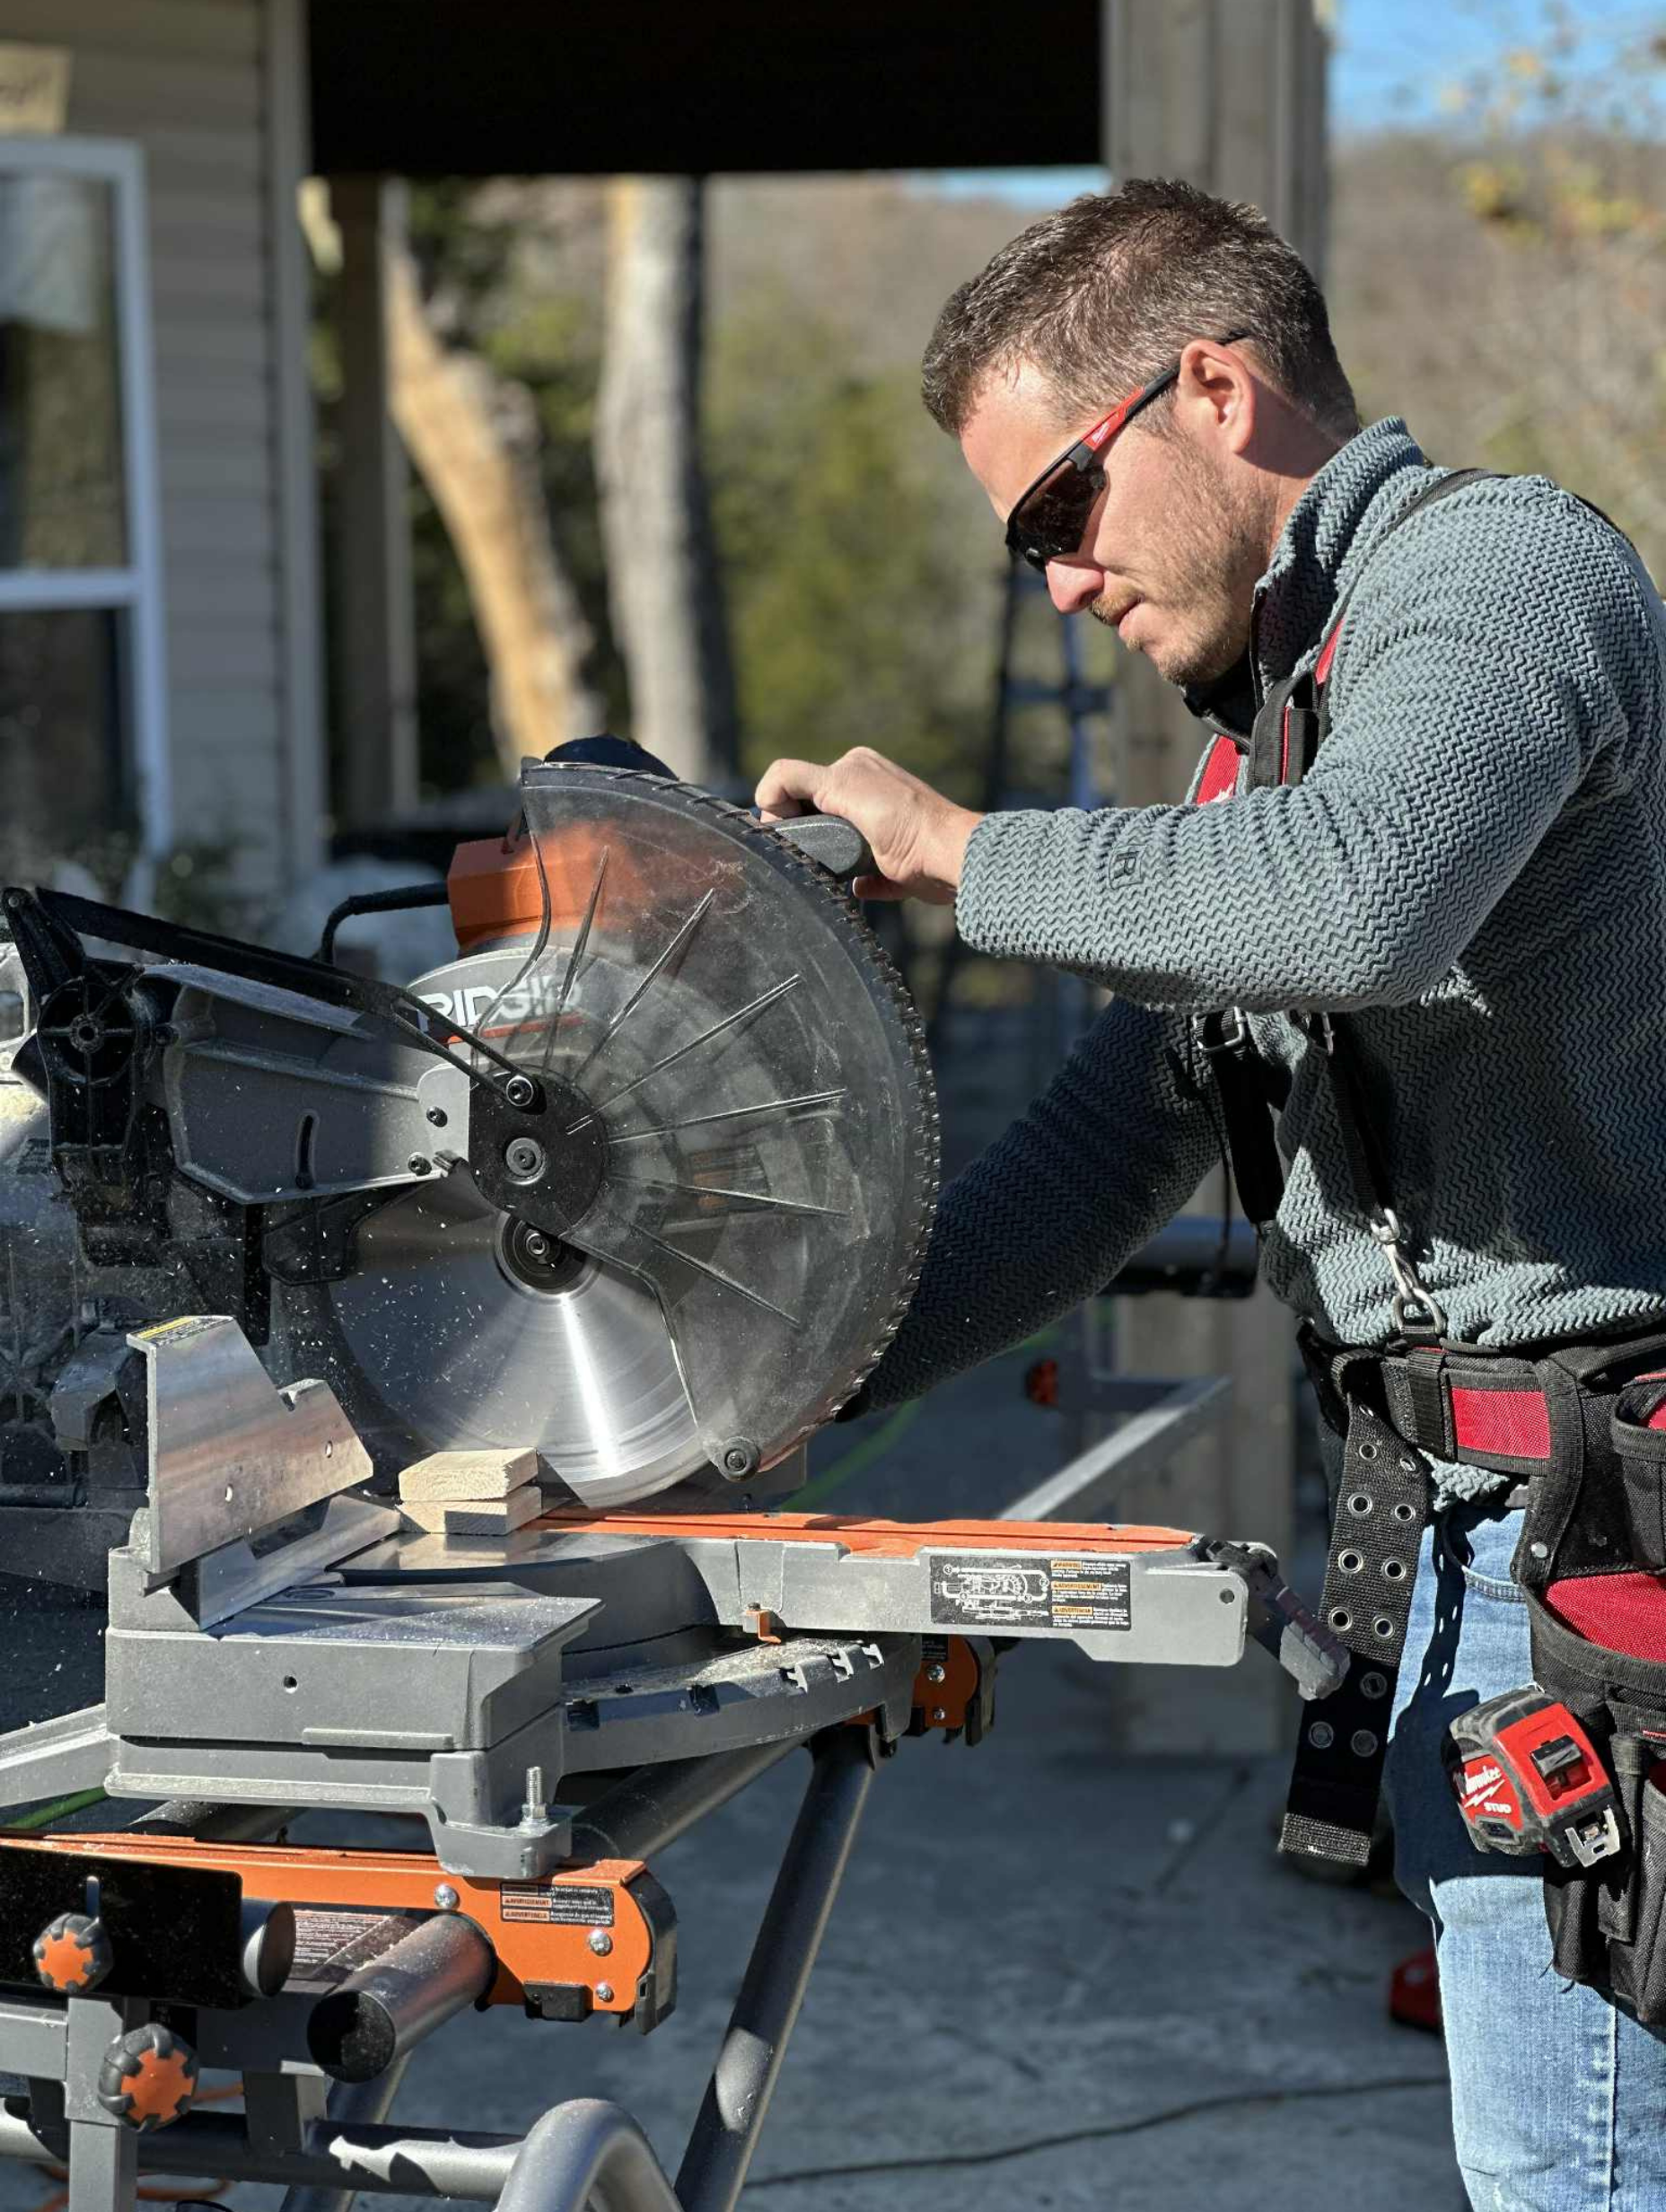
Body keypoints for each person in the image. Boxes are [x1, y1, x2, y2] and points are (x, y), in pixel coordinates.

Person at [756, 179, 1666, 2208]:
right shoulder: (1261, 760)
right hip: (1478, 1551)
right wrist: (785, 1364)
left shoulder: (1504, 580)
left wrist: (954, 847)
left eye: (1054, 516)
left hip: (1611, 1552)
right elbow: (1094, 1152)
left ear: (1215, 389)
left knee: (1581, 2174)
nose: (1055, 584)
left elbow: (1355, 903)